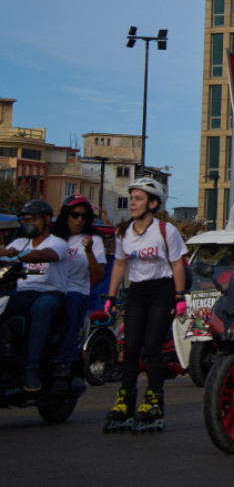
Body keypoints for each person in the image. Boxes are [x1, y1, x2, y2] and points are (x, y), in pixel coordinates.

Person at [102, 177, 187, 433]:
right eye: (132, 198)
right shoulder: (123, 232)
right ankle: (125, 400)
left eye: (138, 199)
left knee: (152, 346)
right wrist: (111, 296)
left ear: (153, 203)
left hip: (162, 290)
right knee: (130, 347)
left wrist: (179, 296)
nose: (133, 203)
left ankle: (153, 401)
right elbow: (119, 264)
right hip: (137, 292)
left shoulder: (165, 231)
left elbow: (177, 264)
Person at [0, 199, 68, 392]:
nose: (28, 224)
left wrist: (16, 255)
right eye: (26, 220)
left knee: (42, 307)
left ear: (47, 219)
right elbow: (4, 252)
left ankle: (32, 368)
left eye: (33, 220)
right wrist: (8, 252)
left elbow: (43, 255)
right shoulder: (20, 242)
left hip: (50, 295)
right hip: (22, 295)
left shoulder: (58, 243)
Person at [52, 194, 106, 376]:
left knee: (73, 304)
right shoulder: (54, 238)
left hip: (76, 292)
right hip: (51, 292)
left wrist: (89, 252)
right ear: (66, 215)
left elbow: (99, 276)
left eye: (84, 215)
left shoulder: (93, 240)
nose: (80, 220)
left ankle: (64, 360)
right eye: (75, 215)